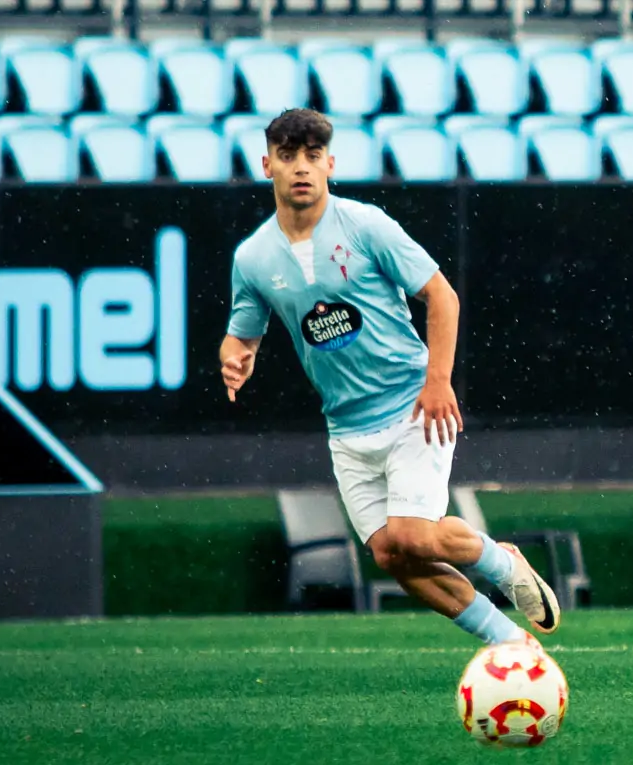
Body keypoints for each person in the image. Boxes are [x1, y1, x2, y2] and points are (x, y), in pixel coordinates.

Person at [220, 108, 559, 648]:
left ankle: (502, 561)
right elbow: (244, 327)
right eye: (288, 157)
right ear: (267, 166)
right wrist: (237, 354)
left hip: (412, 406)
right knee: (391, 555)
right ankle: (511, 644)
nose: (301, 168)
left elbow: (441, 295)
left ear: (331, 163)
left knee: (412, 535)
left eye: (312, 156)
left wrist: (439, 380)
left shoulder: (366, 225)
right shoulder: (254, 257)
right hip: (346, 428)